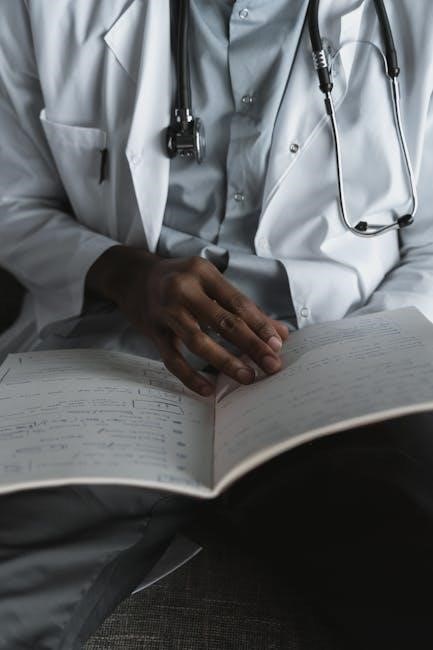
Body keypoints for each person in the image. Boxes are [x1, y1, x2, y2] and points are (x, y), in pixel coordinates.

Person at [1, 0, 433, 647]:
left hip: (340, 351)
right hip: (120, 352)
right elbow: (11, 200)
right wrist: (124, 272)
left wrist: (358, 353)